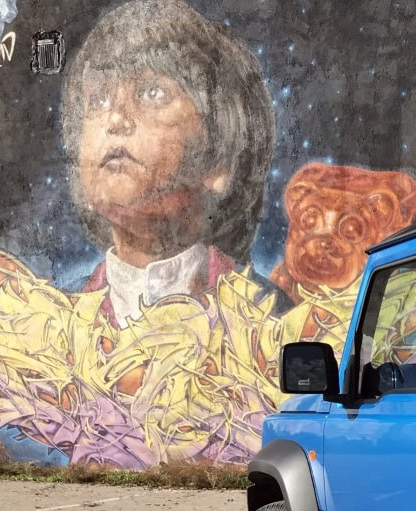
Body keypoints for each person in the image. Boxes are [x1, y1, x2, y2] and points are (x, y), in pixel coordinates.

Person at [60, 0, 275, 327]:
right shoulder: (53, 323)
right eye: (98, 99)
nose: (115, 119)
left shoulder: (271, 319)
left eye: (152, 93)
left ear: (218, 160)